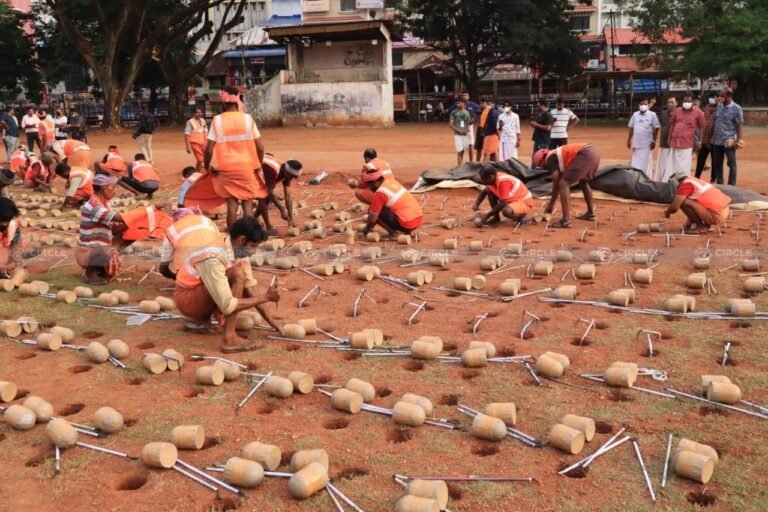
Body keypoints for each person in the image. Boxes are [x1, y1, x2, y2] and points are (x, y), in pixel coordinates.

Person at [159, 213, 281, 353]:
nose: (253, 252)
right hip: (187, 299)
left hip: (200, 292)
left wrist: (272, 322)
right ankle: (229, 339)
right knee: (236, 274)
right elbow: (227, 306)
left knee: (238, 275)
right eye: (253, 246)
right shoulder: (213, 257)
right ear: (241, 240)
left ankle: (202, 321)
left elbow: (249, 287)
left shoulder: (238, 250)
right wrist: (266, 297)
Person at [204, 86, 266, 230]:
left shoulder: (217, 121)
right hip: (246, 168)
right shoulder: (247, 119)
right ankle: (250, 238)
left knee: (232, 205)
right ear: (238, 101)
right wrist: (258, 164)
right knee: (247, 204)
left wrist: (208, 167)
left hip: (225, 169)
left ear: (224, 103)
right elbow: (261, 148)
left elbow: (208, 150)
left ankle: (234, 239)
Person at [74, 174, 128, 284]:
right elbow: (119, 217)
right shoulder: (94, 205)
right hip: (87, 252)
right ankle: (90, 274)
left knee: (130, 232)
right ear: (105, 188)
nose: (115, 190)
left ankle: (100, 268)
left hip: (98, 249)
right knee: (106, 249)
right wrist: (145, 213)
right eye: (114, 187)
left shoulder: (105, 204)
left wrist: (131, 227)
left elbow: (114, 230)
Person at [535, 143, 600, 228]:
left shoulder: (549, 158)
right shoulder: (555, 155)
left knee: (563, 183)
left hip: (585, 153)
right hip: (594, 152)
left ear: (542, 160)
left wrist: (550, 205)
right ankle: (590, 213)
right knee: (583, 181)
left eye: (541, 166)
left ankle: (565, 220)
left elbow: (556, 183)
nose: (544, 168)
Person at [362, 169, 423, 237]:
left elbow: (372, 219)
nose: (369, 188)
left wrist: (367, 228)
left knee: (372, 210)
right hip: (418, 219)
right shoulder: (391, 182)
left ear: (375, 183)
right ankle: (409, 230)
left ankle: (393, 233)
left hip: (406, 223)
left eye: (369, 185)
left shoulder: (380, 193)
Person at [664, 176, 731, 232]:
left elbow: (675, 207)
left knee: (682, 202)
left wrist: (667, 212)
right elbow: (694, 206)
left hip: (717, 215)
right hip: (725, 210)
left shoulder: (685, 186)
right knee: (692, 202)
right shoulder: (692, 180)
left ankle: (700, 226)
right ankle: (706, 225)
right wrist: (688, 225)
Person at [663, 93, 705, 181]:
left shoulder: (699, 112)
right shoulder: (677, 111)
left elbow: (701, 127)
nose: (686, 103)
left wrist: (700, 141)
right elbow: (672, 125)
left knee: (684, 166)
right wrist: (668, 138)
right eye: (685, 101)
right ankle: (671, 182)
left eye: (689, 101)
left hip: (687, 143)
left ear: (693, 102)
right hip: (674, 142)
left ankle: (682, 183)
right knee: (672, 165)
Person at [259, 155, 302, 235]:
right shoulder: (272, 170)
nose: (291, 178)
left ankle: (254, 219)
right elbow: (270, 192)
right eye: (291, 176)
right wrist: (282, 209)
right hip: (254, 169)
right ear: (286, 171)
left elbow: (288, 196)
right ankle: (268, 227)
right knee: (264, 197)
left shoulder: (287, 174)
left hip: (263, 167)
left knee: (267, 196)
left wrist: (291, 218)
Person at [711, 87, 744, 186]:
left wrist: (737, 141)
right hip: (717, 141)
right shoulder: (719, 107)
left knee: (731, 163)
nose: (720, 98)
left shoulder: (736, 108)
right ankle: (720, 184)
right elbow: (715, 122)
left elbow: (739, 126)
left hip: (728, 141)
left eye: (722, 96)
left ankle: (731, 185)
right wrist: (711, 137)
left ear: (729, 96)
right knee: (717, 163)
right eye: (719, 96)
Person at [627, 99, 660, 175]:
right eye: (641, 104)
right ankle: (635, 176)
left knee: (646, 163)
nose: (642, 106)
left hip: (646, 144)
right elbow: (631, 127)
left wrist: (653, 141)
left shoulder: (652, 115)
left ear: (648, 105)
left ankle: (646, 177)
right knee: (635, 162)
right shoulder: (635, 115)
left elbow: (656, 127)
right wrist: (629, 140)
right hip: (636, 143)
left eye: (644, 104)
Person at [695, 94, 719, 180]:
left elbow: (717, 128)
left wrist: (710, 141)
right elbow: (702, 127)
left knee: (714, 162)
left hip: (714, 142)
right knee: (700, 161)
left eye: (713, 106)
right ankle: (696, 178)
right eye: (710, 106)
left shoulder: (719, 112)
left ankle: (713, 179)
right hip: (704, 141)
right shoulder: (705, 112)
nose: (711, 107)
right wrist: (701, 141)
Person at [655, 96, 677, 181]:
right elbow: (660, 126)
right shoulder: (663, 113)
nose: (670, 104)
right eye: (668, 102)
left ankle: (672, 179)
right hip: (664, 142)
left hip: (676, 142)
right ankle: (662, 179)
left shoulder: (679, 113)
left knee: (673, 162)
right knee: (663, 161)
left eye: (672, 102)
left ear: (676, 103)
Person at [0, 197, 22, 272]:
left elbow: (16, 243)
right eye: (2, 219)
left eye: (7, 219)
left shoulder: (14, 223)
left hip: (3, 248)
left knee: (35, 247)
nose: (5, 224)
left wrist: (17, 262)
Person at [529, 100, 553, 169]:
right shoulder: (541, 114)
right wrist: (534, 125)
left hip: (543, 140)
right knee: (534, 157)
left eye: (538, 106)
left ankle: (540, 172)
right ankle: (533, 172)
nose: (537, 107)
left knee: (541, 158)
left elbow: (548, 128)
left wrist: (536, 125)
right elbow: (539, 125)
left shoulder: (548, 115)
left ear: (543, 105)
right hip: (538, 139)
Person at [449, 99, 473, 166]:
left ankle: (469, 165)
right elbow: (450, 124)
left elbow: (468, 123)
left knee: (466, 149)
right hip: (457, 134)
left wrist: (466, 130)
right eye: (457, 103)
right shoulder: (454, 112)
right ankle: (460, 166)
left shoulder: (467, 113)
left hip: (465, 134)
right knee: (460, 151)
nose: (457, 105)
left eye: (459, 103)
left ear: (463, 104)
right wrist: (459, 131)